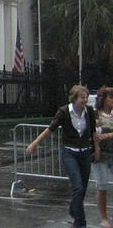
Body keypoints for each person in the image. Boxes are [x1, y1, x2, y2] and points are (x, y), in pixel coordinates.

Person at [26, 84, 98, 228]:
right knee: (77, 187)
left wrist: (97, 149)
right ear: (74, 99)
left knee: (82, 188)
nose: (85, 101)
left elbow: (93, 132)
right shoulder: (64, 112)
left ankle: (73, 210)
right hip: (69, 153)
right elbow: (49, 130)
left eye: (86, 97)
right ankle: (80, 223)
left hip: (85, 153)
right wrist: (34, 144)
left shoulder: (89, 111)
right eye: (82, 98)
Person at [94, 86, 113, 228]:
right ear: (103, 99)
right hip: (100, 152)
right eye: (110, 97)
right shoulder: (95, 114)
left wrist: (109, 135)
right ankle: (103, 217)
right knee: (102, 185)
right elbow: (89, 131)